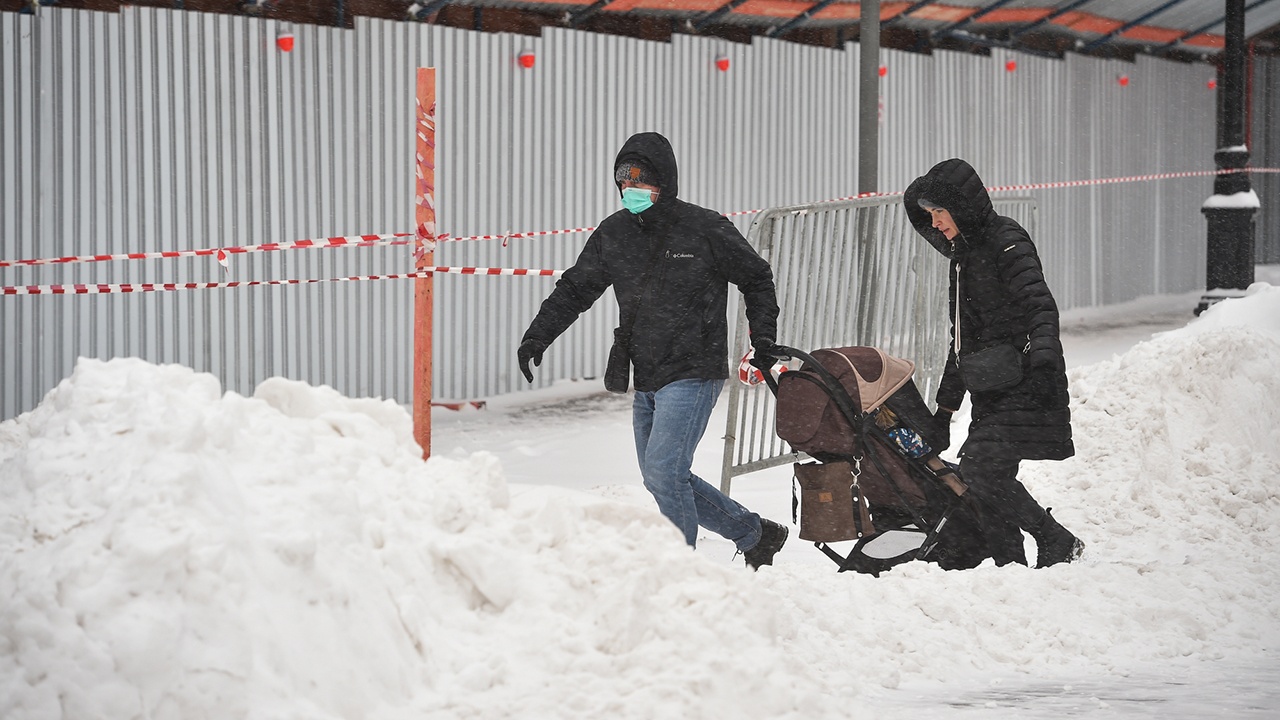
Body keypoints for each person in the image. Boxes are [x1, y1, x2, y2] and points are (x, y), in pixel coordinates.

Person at [517, 131, 790, 569]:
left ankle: (679, 573)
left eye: (642, 183)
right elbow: (576, 288)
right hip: (644, 369)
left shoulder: (705, 227)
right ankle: (755, 534)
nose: (632, 192)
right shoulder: (614, 233)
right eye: (624, 184)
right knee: (661, 477)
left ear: (665, 182)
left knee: (664, 471)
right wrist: (538, 335)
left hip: (693, 367)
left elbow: (757, 278)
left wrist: (763, 338)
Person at [904, 158, 1085, 569]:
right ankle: (1009, 564)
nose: (935, 224)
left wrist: (1043, 362)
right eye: (929, 216)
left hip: (1026, 379)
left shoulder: (1006, 241)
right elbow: (963, 341)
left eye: (939, 213)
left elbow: (1040, 304)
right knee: (986, 477)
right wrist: (944, 411)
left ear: (961, 208)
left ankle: (1053, 538)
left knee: (981, 471)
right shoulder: (963, 258)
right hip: (993, 385)